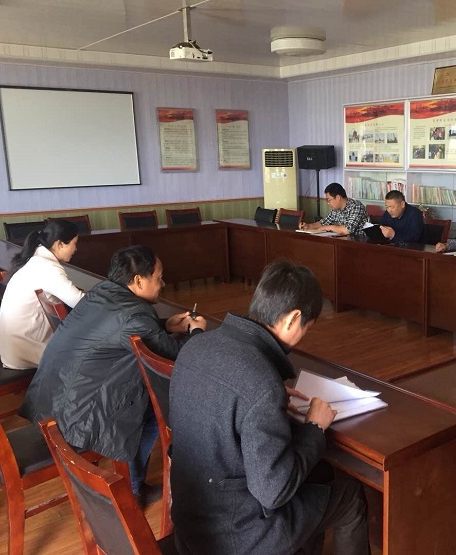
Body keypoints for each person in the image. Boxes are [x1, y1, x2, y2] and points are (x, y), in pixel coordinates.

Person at [170, 260, 369, 555]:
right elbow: (273, 493)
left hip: (191, 517)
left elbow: (223, 397)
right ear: (293, 319)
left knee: (315, 478)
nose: (303, 336)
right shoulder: (261, 382)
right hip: (238, 536)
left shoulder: (196, 346)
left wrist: (263, 400)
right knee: (350, 497)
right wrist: (315, 427)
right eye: (307, 328)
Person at [20, 245, 206, 501]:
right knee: (156, 405)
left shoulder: (101, 293)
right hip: (76, 417)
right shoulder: (135, 314)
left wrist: (164, 326)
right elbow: (175, 356)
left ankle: (134, 482)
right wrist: (197, 332)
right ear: (138, 281)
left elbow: (120, 331)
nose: (163, 283)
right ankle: (133, 489)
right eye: (159, 277)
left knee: (145, 395)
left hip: (51, 401)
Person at [0, 219, 84, 369]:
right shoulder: (47, 268)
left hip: (11, 348)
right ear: (59, 244)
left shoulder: (36, 260)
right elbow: (80, 302)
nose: (76, 249)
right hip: (22, 351)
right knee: (93, 353)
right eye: (74, 243)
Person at [299, 182, 368, 236]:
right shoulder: (336, 209)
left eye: (329, 200)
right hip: (344, 241)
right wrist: (308, 226)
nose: (328, 203)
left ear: (338, 197)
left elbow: (347, 230)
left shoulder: (356, 206)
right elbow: (324, 222)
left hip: (360, 243)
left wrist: (328, 227)